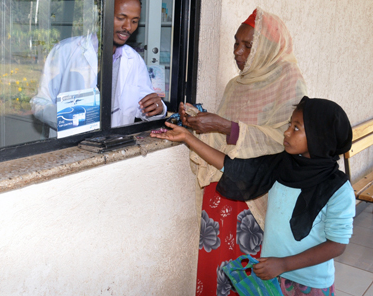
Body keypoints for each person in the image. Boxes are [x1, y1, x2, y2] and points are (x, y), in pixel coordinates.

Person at [151, 96, 355, 295]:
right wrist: (189, 138)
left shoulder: (337, 188)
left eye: (296, 128)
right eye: (289, 124)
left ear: (320, 136)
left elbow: (337, 244)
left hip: (309, 284)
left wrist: (284, 264)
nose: (286, 132)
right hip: (272, 274)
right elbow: (233, 167)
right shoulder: (282, 165)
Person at [180, 8, 307, 296]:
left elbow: (284, 139)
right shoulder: (235, 85)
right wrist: (196, 122)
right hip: (223, 187)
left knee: (249, 274)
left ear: (267, 48)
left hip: (258, 195)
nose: (237, 52)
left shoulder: (289, 81)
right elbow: (223, 136)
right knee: (217, 266)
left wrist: (226, 126)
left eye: (247, 45)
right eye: (236, 43)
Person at [31, 0, 166, 134]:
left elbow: (145, 107)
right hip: (71, 148)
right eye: (121, 18)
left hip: (114, 147)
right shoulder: (64, 51)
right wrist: (68, 119)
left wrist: (157, 108)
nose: (128, 27)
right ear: (103, 11)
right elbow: (39, 103)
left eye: (134, 21)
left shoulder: (134, 61)